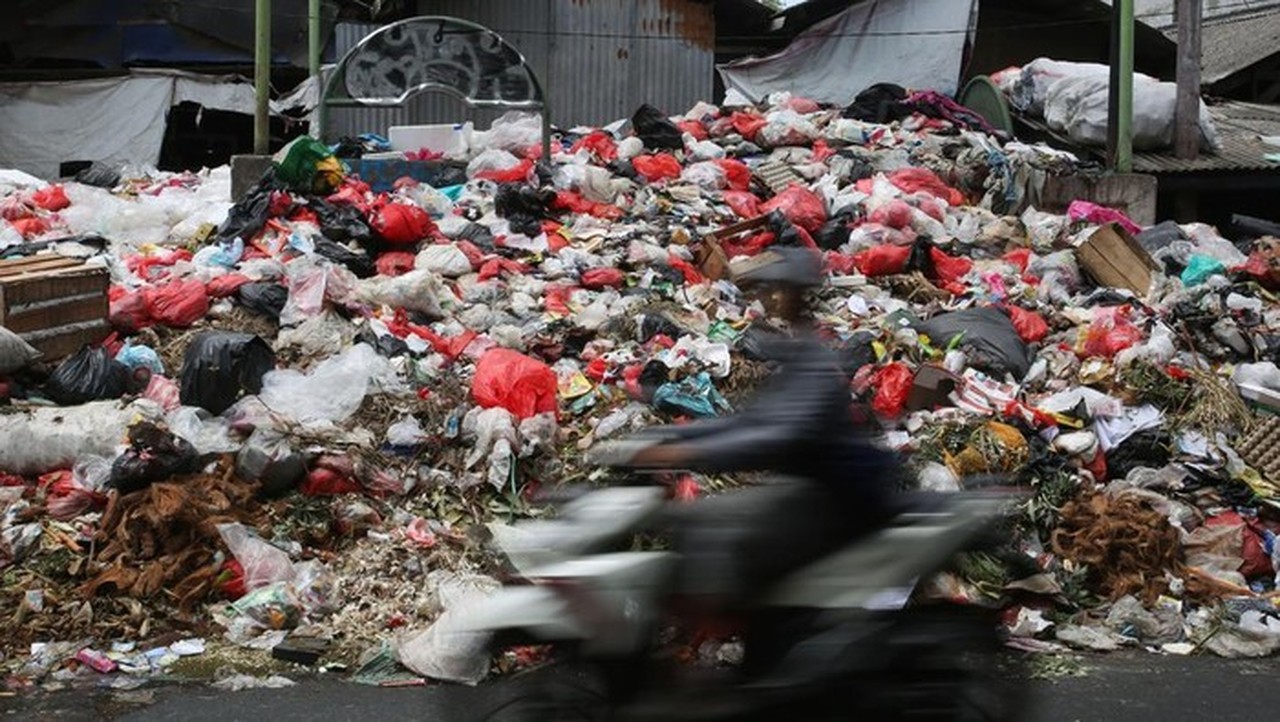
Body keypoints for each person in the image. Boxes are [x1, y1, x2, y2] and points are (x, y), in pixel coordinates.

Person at [623, 246, 900, 615]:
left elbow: (778, 436)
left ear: (798, 294)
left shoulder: (813, 363)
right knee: (703, 522)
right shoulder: (796, 350)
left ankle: (738, 625)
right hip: (809, 487)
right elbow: (748, 421)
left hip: (834, 498)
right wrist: (669, 439)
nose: (769, 297)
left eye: (778, 289)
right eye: (769, 289)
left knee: (710, 526)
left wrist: (692, 454)